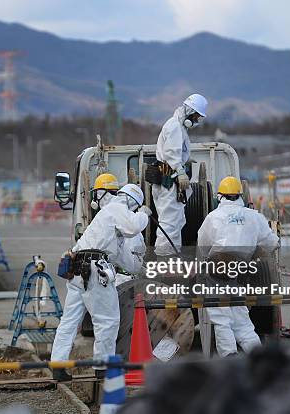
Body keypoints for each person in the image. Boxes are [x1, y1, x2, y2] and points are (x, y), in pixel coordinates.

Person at [51, 181, 150, 381]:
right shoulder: (116, 208)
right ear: (133, 203)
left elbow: (126, 261)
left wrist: (142, 268)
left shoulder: (107, 221)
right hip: (95, 270)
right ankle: (102, 367)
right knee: (108, 320)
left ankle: (58, 366)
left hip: (79, 270)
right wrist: (144, 215)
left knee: (70, 320)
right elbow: (133, 226)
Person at [197, 176, 279, 357]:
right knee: (240, 315)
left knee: (220, 316)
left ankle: (229, 356)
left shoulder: (213, 217)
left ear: (220, 197)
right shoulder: (254, 216)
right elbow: (272, 243)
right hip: (239, 268)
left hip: (217, 269)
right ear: (241, 196)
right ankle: (257, 354)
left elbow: (203, 246)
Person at [153, 94, 208, 257]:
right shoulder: (174, 126)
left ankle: (172, 256)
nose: (197, 120)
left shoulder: (179, 127)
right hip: (168, 179)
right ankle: (164, 259)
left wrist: (184, 160)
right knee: (169, 223)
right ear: (189, 112)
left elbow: (174, 152)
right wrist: (180, 171)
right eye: (196, 116)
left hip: (169, 180)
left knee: (176, 221)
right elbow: (171, 154)